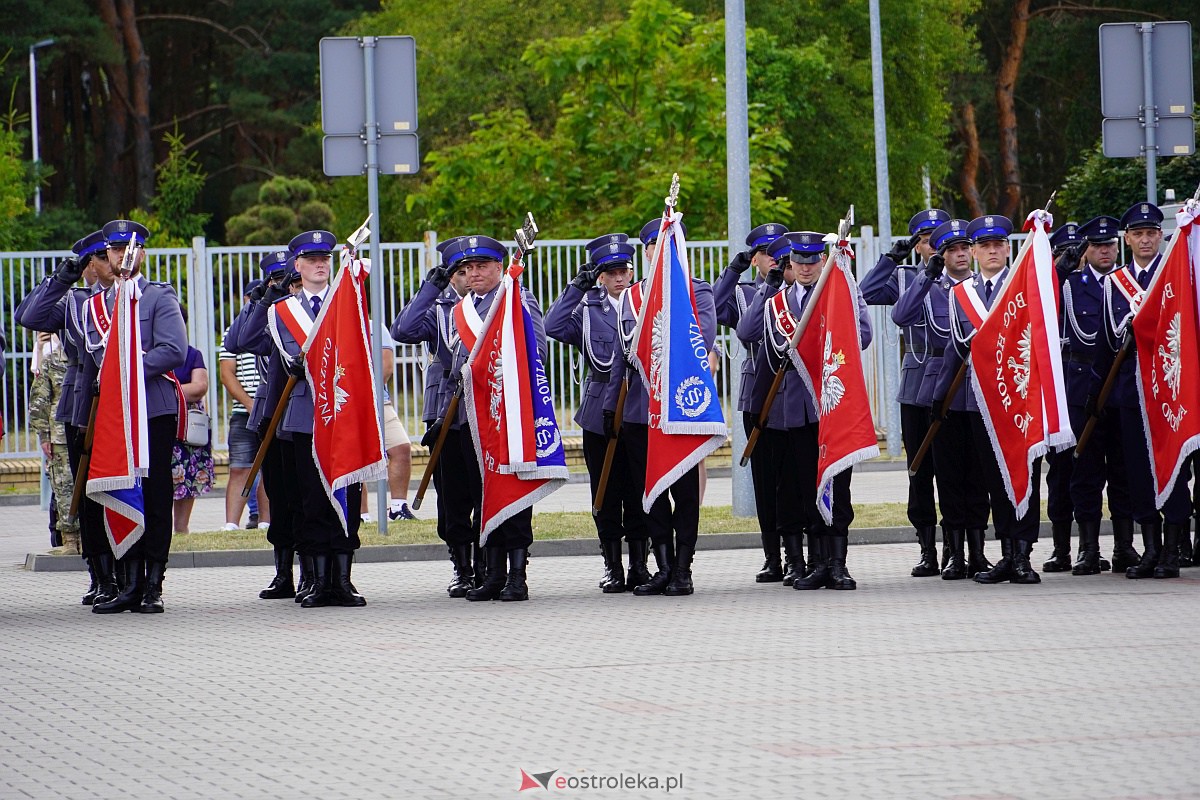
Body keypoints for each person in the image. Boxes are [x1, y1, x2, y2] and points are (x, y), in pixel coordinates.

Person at [246, 230, 368, 607]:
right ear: (296, 266)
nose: (320, 265)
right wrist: (267, 296)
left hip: (344, 412)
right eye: (312, 260)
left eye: (325, 260)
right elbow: (245, 340)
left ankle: (342, 581)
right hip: (303, 416)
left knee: (345, 496)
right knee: (311, 499)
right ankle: (316, 580)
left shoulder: (347, 299)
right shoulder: (283, 309)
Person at [604, 218, 716, 596]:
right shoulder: (631, 297)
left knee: (685, 495)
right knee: (649, 492)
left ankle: (683, 568)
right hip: (640, 411)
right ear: (647, 253)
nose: (658, 252)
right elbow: (622, 355)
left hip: (681, 410)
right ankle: (663, 566)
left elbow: (700, 342)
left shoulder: (696, 292)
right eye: (653, 247)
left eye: (666, 245)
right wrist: (610, 406)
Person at [937, 214, 1044, 585]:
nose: (993, 250)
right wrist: (941, 396)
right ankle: (1007, 553)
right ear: (975, 252)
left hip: (1021, 399)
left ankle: (1025, 554)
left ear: (1008, 247)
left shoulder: (1025, 284)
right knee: (995, 479)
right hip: (982, 401)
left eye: (999, 244)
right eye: (984, 245)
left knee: (1025, 475)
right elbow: (957, 347)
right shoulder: (960, 294)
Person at [90, 220, 189, 614]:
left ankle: (152, 583)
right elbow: (95, 355)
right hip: (116, 415)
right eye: (114, 251)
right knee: (119, 489)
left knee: (155, 493)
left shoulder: (158, 297)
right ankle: (127, 581)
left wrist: (130, 367)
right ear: (108, 256)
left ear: (141, 253)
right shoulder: (98, 304)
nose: (120, 256)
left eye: (127, 250)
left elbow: (174, 349)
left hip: (152, 409)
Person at [17, 229, 120, 605]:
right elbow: (29, 316)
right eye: (108, 256)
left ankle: (132, 574)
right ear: (91, 263)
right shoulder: (75, 302)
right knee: (86, 495)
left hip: (124, 405)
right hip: (81, 407)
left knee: (122, 491)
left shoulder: (132, 294)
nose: (116, 261)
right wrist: (62, 279)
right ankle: (101, 573)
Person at [442, 235, 547, 602]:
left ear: (500, 267)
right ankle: (492, 573)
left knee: (513, 493)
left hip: (510, 415)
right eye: (468, 268)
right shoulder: (459, 311)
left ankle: (517, 576)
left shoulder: (517, 298)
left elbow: (537, 352)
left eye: (482, 266)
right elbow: (454, 361)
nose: (474, 274)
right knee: (482, 495)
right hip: (474, 419)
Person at [545, 233, 650, 593]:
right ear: (600, 276)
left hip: (638, 406)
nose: (619, 277)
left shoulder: (646, 302)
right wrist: (576, 289)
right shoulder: (589, 309)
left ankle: (639, 564)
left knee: (638, 487)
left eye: (624, 270)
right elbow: (552, 326)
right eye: (610, 272)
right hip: (597, 410)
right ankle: (613, 566)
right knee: (605, 490)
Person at [1094, 202, 1190, 579]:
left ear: (1161, 236)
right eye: (1138, 233)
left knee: (1174, 468)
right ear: (1128, 239)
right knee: (1137, 471)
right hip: (1131, 390)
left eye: (1152, 233)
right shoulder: (1113, 283)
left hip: (1171, 388)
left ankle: (1171, 551)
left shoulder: (1175, 274)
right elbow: (1108, 336)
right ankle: (1149, 549)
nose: (1146, 239)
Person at [896, 219, 992, 580]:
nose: (961, 254)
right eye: (951, 249)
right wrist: (925, 275)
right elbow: (900, 316)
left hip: (974, 389)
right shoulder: (930, 286)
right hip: (931, 390)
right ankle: (941, 551)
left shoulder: (982, 287)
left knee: (974, 473)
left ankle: (973, 551)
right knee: (933, 474)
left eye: (965, 247)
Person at [860, 209, 951, 577]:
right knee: (919, 471)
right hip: (916, 384)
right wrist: (890, 259)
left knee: (955, 471)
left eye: (936, 237)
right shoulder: (906, 277)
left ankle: (959, 547)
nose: (931, 245)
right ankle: (927, 548)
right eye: (924, 239)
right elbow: (864, 293)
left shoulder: (965, 276)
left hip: (953, 380)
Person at [392, 236, 483, 596]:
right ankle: (462, 566)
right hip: (447, 412)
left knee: (482, 490)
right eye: (459, 271)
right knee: (452, 494)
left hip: (484, 408)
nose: (465, 277)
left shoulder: (491, 305)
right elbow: (402, 330)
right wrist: (431, 287)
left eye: (471, 269)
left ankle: (487, 563)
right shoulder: (439, 308)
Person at [712, 222, 799, 583]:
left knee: (795, 477)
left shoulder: (804, 290)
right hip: (759, 393)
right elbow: (714, 308)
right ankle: (773, 556)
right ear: (756, 259)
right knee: (765, 480)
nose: (772, 259)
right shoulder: (748, 293)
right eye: (764, 253)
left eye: (778, 252)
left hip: (797, 391)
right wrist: (734, 270)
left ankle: (799, 555)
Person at [1051, 216, 1135, 575]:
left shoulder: (1126, 284)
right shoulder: (1069, 285)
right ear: (1086, 249)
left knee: (1123, 470)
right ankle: (1087, 548)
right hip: (1082, 387)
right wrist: (1057, 271)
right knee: (1084, 471)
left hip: (1122, 389)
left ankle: (1124, 546)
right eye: (1097, 245)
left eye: (1110, 244)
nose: (1105, 250)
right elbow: (1040, 307)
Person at [225, 251, 303, 601]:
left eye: (291, 279)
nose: (288, 286)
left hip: (306, 412)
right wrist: (261, 299)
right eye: (279, 280)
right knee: (280, 494)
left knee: (306, 496)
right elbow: (236, 341)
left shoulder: (307, 311)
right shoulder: (270, 311)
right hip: (272, 411)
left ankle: (315, 572)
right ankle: (283, 572)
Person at [219, 280, 269, 531]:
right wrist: (250, 404)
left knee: (269, 469)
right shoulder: (233, 331)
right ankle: (231, 524)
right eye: (250, 298)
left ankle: (266, 521)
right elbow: (227, 374)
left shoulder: (274, 326)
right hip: (243, 413)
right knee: (239, 467)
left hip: (271, 411)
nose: (253, 303)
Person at [28, 331, 79, 553]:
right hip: (59, 436)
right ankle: (69, 538)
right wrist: (44, 436)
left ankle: (89, 537)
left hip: (87, 431)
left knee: (87, 488)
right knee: (64, 488)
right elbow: (40, 399)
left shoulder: (89, 359)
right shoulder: (52, 361)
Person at [171, 327, 215, 534]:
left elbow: (199, 387)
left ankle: (181, 529)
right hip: (156, 424)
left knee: (187, 476)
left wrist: (165, 390)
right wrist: (182, 390)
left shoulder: (192, 354)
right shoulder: (147, 352)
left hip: (187, 428)